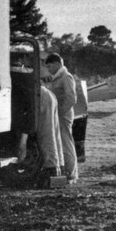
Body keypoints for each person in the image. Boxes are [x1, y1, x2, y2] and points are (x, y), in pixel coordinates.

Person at [16, 84, 65, 187]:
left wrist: (23, 141)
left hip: (39, 97)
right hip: (44, 93)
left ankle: (51, 172)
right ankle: (59, 169)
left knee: (46, 135)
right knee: (53, 134)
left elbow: (28, 117)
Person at [43, 52, 79, 183]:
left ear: (58, 64)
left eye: (50, 66)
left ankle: (72, 174)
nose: (49, 70)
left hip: (64, 114)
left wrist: (60, 113)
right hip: (59, 114)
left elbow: (71, 98)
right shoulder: (57, 77)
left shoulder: (66, 77)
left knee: (66, 143)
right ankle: (68, 172)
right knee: (62, 143)